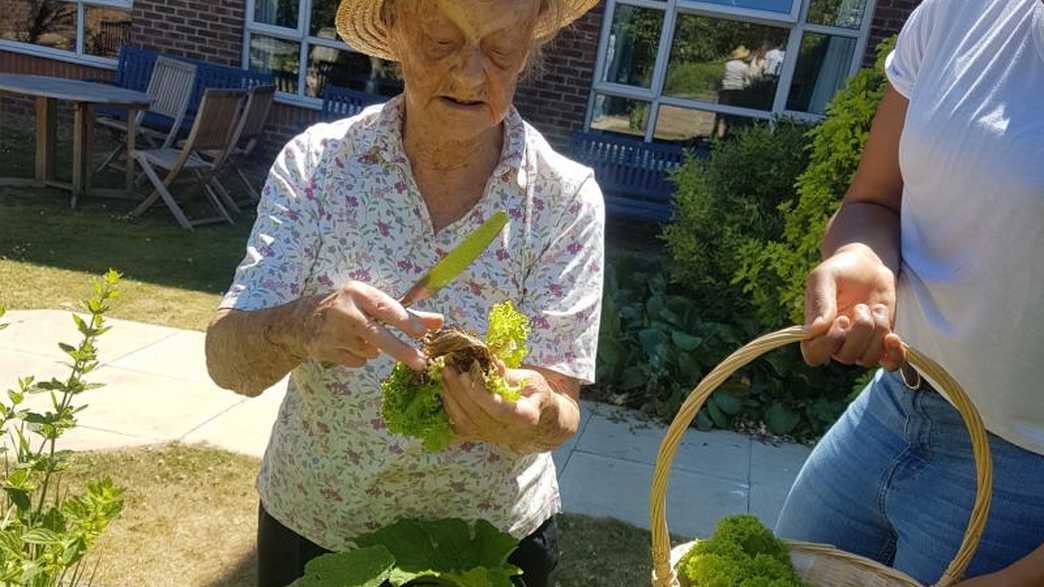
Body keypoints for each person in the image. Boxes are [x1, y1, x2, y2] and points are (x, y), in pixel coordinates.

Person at [203, 0, 604, 585]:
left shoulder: (564, 201)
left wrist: (528, 415)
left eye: (499, 49)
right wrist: (303, 325)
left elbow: (560, 405)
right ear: (392, 29)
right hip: (318, 530)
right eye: (441, 41)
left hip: (485, 546)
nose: (470, 76)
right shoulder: (320, 165)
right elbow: (227, 363)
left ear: (530, 44)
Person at [775, 0, 1044, 584]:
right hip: (892, 407)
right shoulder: (959, 13)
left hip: (1025, 482)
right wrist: (862, 257)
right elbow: (874, 201)